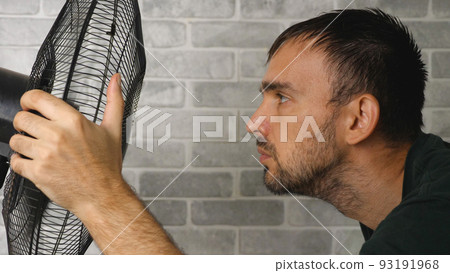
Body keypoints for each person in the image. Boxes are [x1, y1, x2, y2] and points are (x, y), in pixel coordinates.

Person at [8, 9, 450, 254]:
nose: (255, 122)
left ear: (358, 119)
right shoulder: (405, 211)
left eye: (283, 98)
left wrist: (98, 194)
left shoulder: (435, 219)